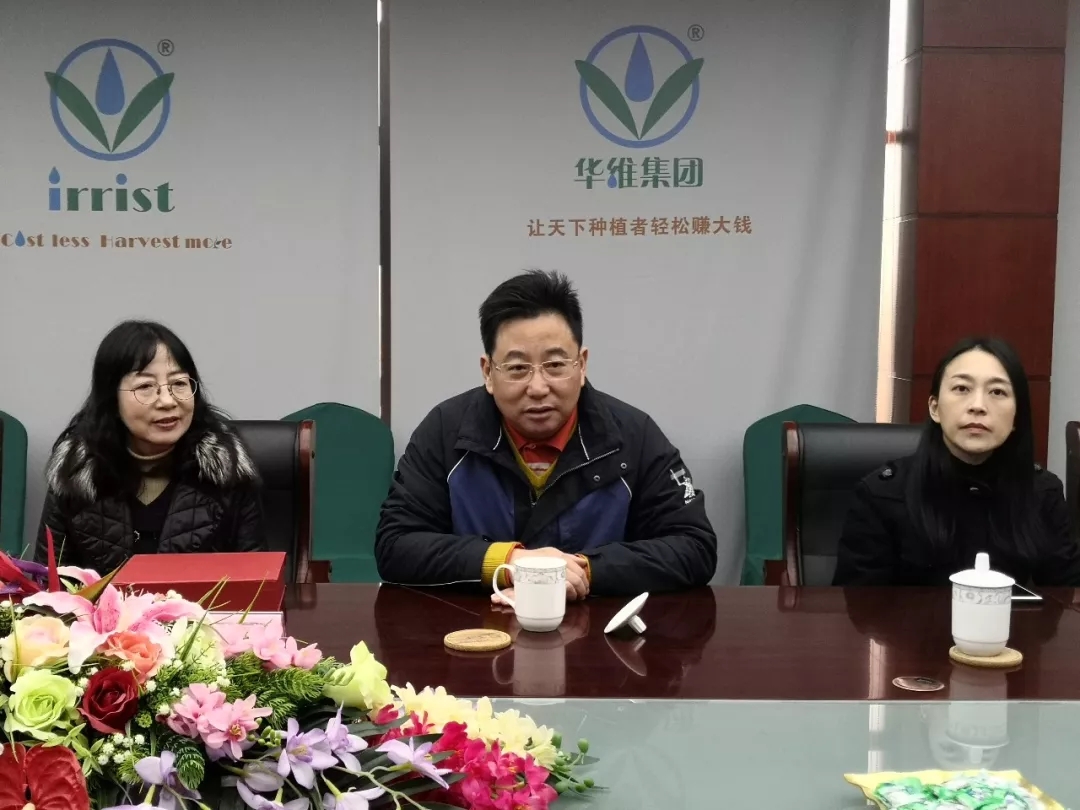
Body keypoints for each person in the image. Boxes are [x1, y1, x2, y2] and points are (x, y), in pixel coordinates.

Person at [376, 270, 717, 600]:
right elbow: (395, 545)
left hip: (599, 631)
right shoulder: (445, 430)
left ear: (581, 365)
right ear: (488, 372)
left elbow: (694, 546)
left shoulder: (633, 435)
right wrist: (510, 563)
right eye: (517, 368)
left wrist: (584, 570)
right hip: (476, 628)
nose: (538, 388)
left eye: (555, 365)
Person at [833, 336, 1080, 586]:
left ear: (1016, 416)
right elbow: (858, 604)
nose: (978, 406)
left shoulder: (1042, 493)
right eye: (962, 389)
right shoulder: (881, 495)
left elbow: (1068, 594)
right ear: (934, 408)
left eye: (997, 392)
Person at [35, 320, 267, 573]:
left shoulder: (228, 472)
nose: (168, 401)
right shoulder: (75, 473)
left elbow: (257, 581)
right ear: (112, 399)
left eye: (179, 383)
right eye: (145, 386)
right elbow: (47, 584)